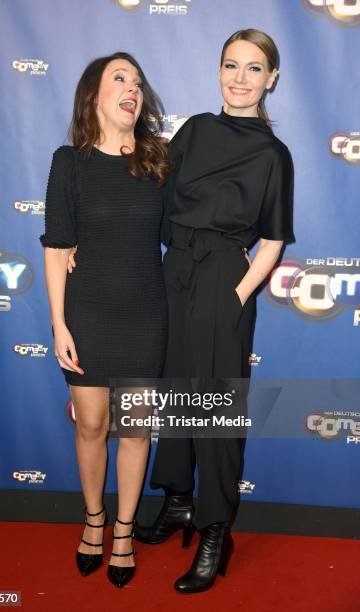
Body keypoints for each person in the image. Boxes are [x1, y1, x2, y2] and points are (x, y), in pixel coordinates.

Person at [132, 28, 295, 594]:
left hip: (225, 277)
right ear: (218, 70)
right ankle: (177, 500)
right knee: (177, 391)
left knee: (216, 408)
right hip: (173, 269)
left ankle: (214, 530)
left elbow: (273, 240)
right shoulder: (195, 130)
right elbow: (153, 198)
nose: (240, 78)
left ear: (271, 79)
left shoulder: (273, 155)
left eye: (254, 68)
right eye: (231, 65)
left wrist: (237, 294)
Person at [39, 52, 168, 588]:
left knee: (135, 429)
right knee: (91, 424)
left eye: (137, 81)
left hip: (146, 314)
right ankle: (93, 520)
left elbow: (190, 224)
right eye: (120, 78)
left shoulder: (160, 160)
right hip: (87, 313)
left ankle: (122, 531)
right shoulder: (69, 163)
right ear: (93, 94)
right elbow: (56, 248)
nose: (132, 89)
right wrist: (59, 325)